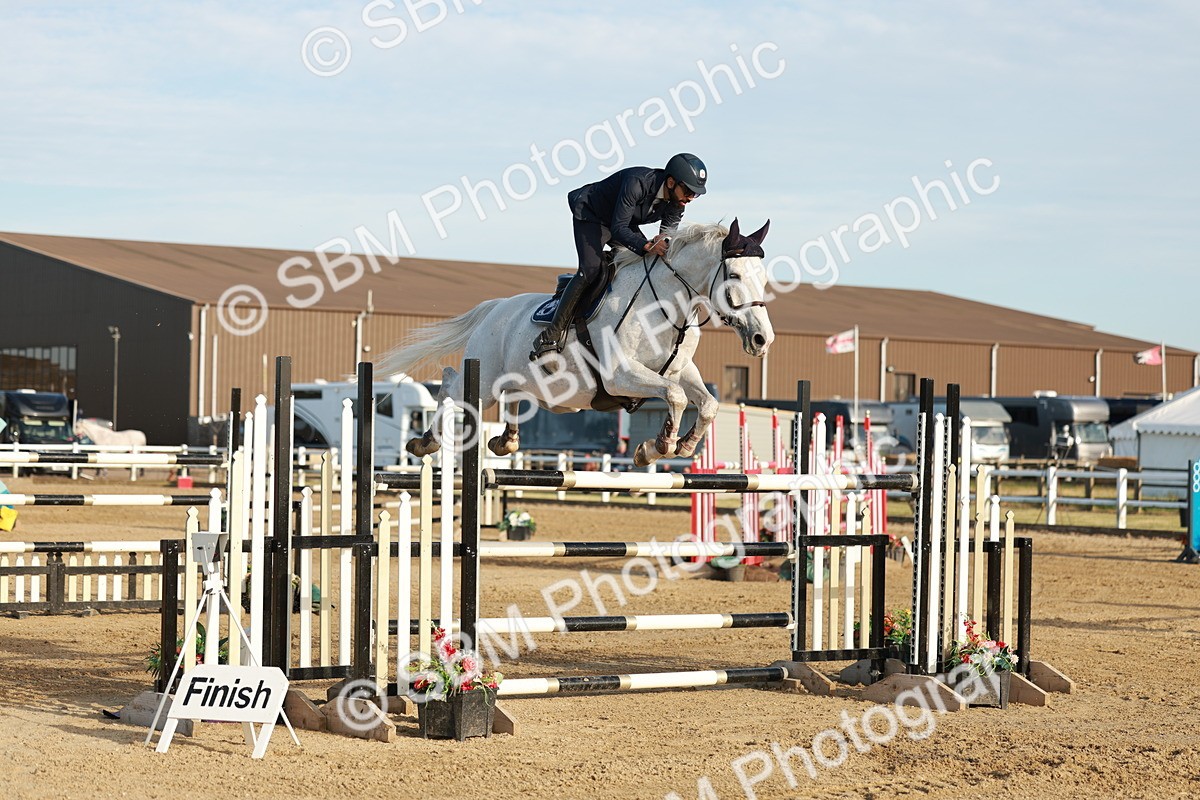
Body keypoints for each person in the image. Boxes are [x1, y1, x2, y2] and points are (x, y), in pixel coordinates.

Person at [529, 153, 708, 362]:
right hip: (592, 214)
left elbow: (666, 235)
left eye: (695, 194)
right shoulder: (637, 183)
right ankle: (550, 335)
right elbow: (618, 228)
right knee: (591, 270)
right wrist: (647, 245)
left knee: (646, 264)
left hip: (620, 221)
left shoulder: (677, 203)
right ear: (670, 182)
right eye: (688, 191)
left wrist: (664, 241)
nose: (690, 198)